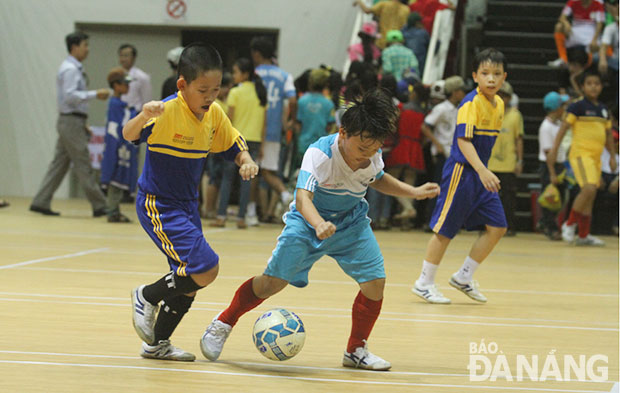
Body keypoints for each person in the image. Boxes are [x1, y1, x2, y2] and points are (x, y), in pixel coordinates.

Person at [199, 89, 439, 370]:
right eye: (363, 148)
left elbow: (377, 178)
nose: (368, 155)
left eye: (374, 149)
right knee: (271, 284)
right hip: (307, 222)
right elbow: (302, 199)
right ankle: (223, 322)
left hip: (350, 222)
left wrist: (414, 192)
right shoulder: (320, 154)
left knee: (375, 282)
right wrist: (318, 223)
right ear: (343, 133)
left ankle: (355, 350)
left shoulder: (371, 155)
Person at [125, 43, 259, 361]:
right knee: (206, 268)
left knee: (189, 283)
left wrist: (246, 159)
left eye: (215, 89)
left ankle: (157, 345)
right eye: (203, 90)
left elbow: (233, 142)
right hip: (159, 205)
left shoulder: (213, 114)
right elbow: (128, 135)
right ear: (182, 85)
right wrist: (144, 113)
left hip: (187, 207)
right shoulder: (166, 111)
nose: (210, 96)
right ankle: (145, 295)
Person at [411, 48, 508, 304]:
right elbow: (464, 142)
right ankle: (424, 282)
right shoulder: (469, 103)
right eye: (485, 73)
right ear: (475, 76)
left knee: (497, 227)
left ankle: (464, 277)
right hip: (462, 172)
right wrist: (482, 170)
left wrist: (483, 171)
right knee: (445, 230)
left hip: (480, 175)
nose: (491, 79)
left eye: (496, 74)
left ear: (504, 77)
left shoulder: (499, 105)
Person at [30, 31, 110, 217]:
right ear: (75, 47)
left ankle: (41, 201)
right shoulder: (71, 69)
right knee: (83, 163)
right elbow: (70, 96)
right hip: (70, 121)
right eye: (85, 45)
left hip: (72, 121)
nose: (87, 49)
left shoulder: (73, 68)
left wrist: (82, 122)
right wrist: (95, 94)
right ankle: (100, 205)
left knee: (59, 164)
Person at [547, 70, 616, 246]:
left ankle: (584, 235)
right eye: (589, 83)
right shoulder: (576, 107)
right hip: (580, 154)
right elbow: (563, 129)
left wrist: (613, 157)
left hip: (596, 157)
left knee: (590, 196)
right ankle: (569, 224)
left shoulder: (603, 109)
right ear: (583, 87)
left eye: (597, 83)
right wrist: (555, 149)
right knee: (589, 189)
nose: (594, 87)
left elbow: (608, 134)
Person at [211, 58, 267, 228]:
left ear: (244, 73)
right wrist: (263, 144)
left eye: (235, 72)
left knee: (227, 179)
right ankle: (241, 218)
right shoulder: (260, 92)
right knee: (247, 180)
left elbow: (229, 120)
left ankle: (221, 216)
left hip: (236, 140)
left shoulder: (235, 92)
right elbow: (265, 122)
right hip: (255, 140)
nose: (233, 75)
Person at [250, 36, 296, 220]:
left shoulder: (254, 74)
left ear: (257, 54)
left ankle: (252, 211)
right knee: (268, 171)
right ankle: (285, 196)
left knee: (250, 170)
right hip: (274, 129)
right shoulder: (284, 75)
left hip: (254, 127)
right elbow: (292, 99)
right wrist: (291, 120)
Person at [420, 75, 466, 229]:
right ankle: (431, 220)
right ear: (454, 92)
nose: (463, 93)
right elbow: (425, 126)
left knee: (452, 188)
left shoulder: (460, 109)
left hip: (455, 153)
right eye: (461, 90)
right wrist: (437, 143)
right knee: (439, 186)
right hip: (443, 153)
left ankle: (446, 220)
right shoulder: (441, 109)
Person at [100, 67, 137, 223]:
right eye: (124, 83)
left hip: (121, 145)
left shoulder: (120, 104)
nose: (128, 86)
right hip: (117, 145)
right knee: (115, 175)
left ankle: (114, 210)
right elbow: (116, 126)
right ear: (116, 85)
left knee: (119, 175)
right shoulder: (115, 104)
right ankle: (112, 211)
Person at [488, 82, 524, 236]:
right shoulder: (487, 113)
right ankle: (488, 226)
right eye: (498, 94)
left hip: (508, 163)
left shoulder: (515, 115)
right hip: (490, 164)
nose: (501, 98)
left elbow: (519, 139)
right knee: (488, 199)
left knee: (509, 198)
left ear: (510, 98)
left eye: (504, 96)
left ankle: (509, 226)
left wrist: (519, 161)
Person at [537, 91, 570, 240]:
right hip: (550, 166)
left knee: (560, 198)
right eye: (562, 106)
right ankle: (549, 227)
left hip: (559, 165)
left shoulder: (557, 124)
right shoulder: (546, 127)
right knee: (551, 198)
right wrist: (552, 173)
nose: (564, 108)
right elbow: (549, 152)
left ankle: (546, 222)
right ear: (556, 108)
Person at [294, 68, 336, 172]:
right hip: (321, 147)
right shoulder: (328, 104)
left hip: (303, 145)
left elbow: (298, 125)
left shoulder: (302, 101)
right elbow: (330, 126)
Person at [550, 0, 606, 67]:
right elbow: (562, 17)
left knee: (596, 46)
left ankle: (587, 64)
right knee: (559, 26)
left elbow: (599, 24)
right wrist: (566, 23)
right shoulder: (573, 1)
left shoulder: (598, 3)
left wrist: (594, 39)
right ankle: (563, 58)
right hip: (575, 29)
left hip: (591, 30)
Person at [118, 44, 152, 111]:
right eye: (121, 55)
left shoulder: (142, 77)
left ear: (133, 57)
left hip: (135, 113)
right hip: (119, 113)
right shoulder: (116, 75)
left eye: (126, 56)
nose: (123, 59)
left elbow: (147, 100)